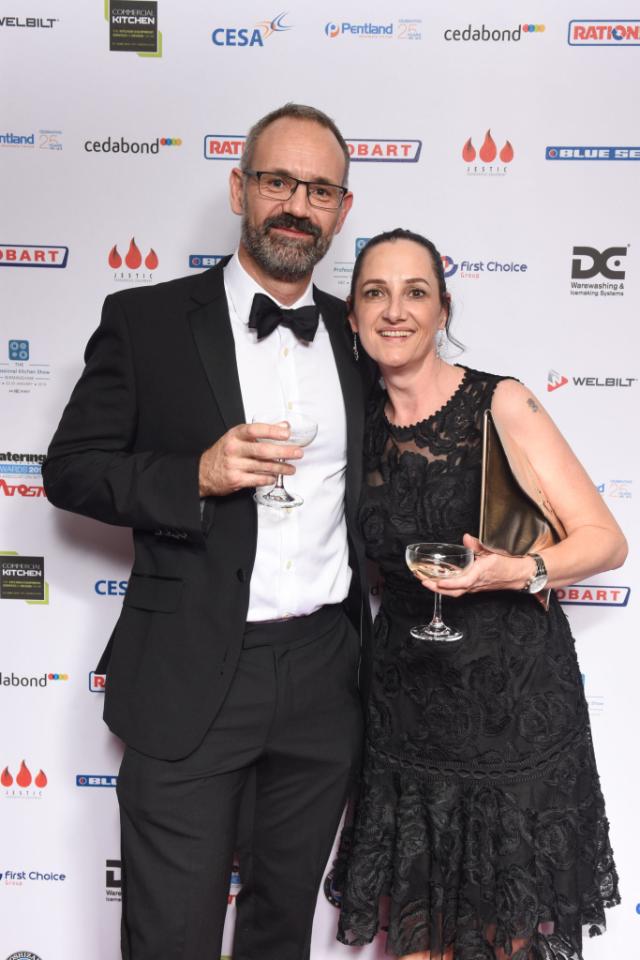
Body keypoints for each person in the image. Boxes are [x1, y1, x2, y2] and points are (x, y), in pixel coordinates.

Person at [43, 103, 373, 960]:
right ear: (240, 188)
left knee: (280, 928)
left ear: (341, 208)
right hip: (190, 670)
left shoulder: (360, 333)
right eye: (277, 181)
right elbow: (70, 469)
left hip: (324, 675)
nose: (296, 204)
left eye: (320, 189)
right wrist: (193, 473)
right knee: (172, 935)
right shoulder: (146, 321)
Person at [336, 228, 626, 960]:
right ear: (352, 316)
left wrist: (513, 570)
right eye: (375, 292)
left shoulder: (501, 403)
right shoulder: (352, 426)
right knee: (416, 941)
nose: (394, 310)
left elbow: (604, 538)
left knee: (506, 940)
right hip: (407, 712)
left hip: (509, 710)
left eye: (415, 292)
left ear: (443, 310)